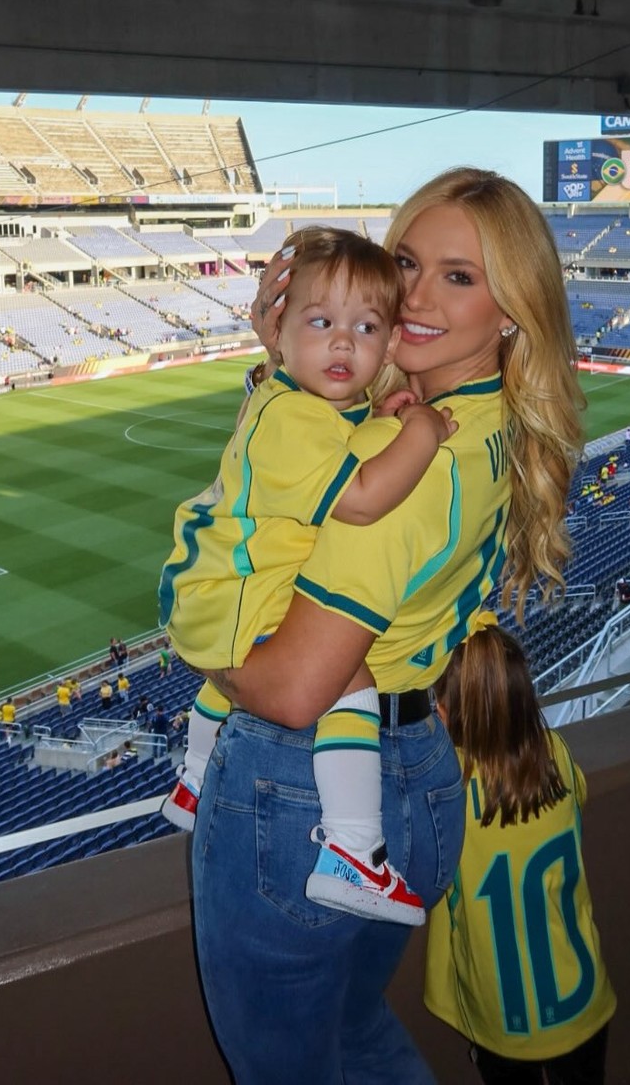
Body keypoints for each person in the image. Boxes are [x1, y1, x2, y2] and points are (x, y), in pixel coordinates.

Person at [168, 168, 584, 1083]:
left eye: (460, 276)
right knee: (356, 1039)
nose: (416, 296)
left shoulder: (418, 464)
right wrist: (285, 370)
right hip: (413, 782)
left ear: (514, 310)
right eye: (406, 263)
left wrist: (193, 637)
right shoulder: (479, 424)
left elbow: (291, 689)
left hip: (300, 795)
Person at [161, 227, 457, 923]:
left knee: (243, 658)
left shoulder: (300, 401)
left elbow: (341, 443)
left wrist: (378, 415)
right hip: (232, 594)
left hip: (215, 590)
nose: (345, 345)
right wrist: (422, 432)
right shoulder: (292, 416)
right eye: (321, 324)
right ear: (280, 331)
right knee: (345, 681)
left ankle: (197, 780)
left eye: (365, 327)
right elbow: (359, 500)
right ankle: (355, 850)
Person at [425, 620, 616, 1084]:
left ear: (448, 713)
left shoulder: (446, 792)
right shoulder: (557, 754)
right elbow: (579, 797)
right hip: (582, 995)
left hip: (504, 1017)